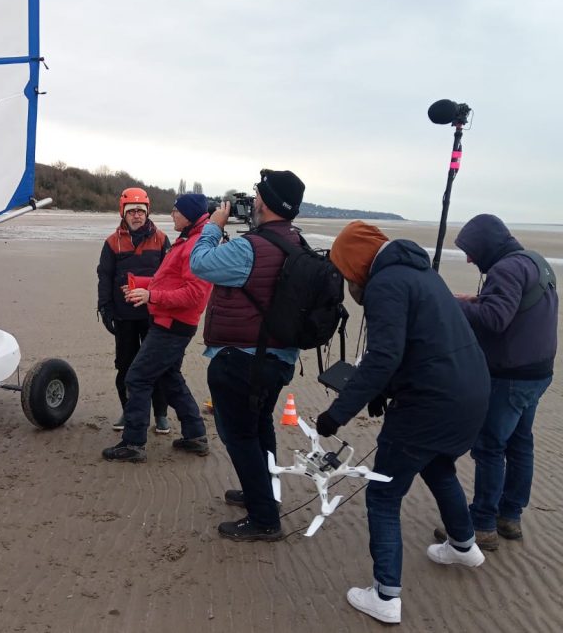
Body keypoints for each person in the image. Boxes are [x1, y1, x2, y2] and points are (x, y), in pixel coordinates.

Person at [314, 220, 490, 625]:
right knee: (437, 464)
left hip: (430, 403)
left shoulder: (385, 284)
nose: (347, 282)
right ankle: (464, 545)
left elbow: (383, 356)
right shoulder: (421, 273)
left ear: (356, 262)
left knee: (383, 494)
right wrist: (380, 391)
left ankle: (385, 595)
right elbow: (416, 344)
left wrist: (336, 415)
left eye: (345, 271)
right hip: (471, 393)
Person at [189, 169, 304, 542]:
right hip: (280, 357)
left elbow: (201, 263)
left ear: (266, 203)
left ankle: (264, 518)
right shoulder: (296, 243)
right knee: (259, 428)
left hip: (242, 358)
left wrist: (212, 226)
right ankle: (264, 495)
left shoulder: (250, 247)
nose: (252, 203)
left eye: (256, 197)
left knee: (239, 435)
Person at [452, 214, 558, 549]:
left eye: (471, 250)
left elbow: (495, 320)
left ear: (486, 245)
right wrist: (479, 301)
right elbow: (511, 311)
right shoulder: (535, 262)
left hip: (511, 375)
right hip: (538, 372)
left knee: (489, 446)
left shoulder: (505, 269)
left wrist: (456, 306)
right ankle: (510, 517)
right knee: (520, 443)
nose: (469, 258)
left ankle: (482, 524)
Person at [102, 193, 213, 463]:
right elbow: (168, 279)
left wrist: (151, 296)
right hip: (169, 322)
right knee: (169, 378)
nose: (172, 214)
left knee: (137, 377)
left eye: (177, 211)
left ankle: (134, 442)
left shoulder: (195, 245)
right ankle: (196, 435)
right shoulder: (187, 240)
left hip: (173, 325)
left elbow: (193, 295)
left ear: (190, 215)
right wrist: (141, 283)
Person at [97, 187, 172, 433]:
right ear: (123, 213)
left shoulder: (161, 239)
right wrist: (105, 308)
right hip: (124, 316)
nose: (137, 215)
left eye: (141, 211)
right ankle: (129, 412)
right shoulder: (112, 242)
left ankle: (161, 415)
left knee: (156, 367)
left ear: (147, 212)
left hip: (153, 316)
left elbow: (170, 277)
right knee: (125, 367)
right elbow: (104, 276)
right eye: (132, 211)